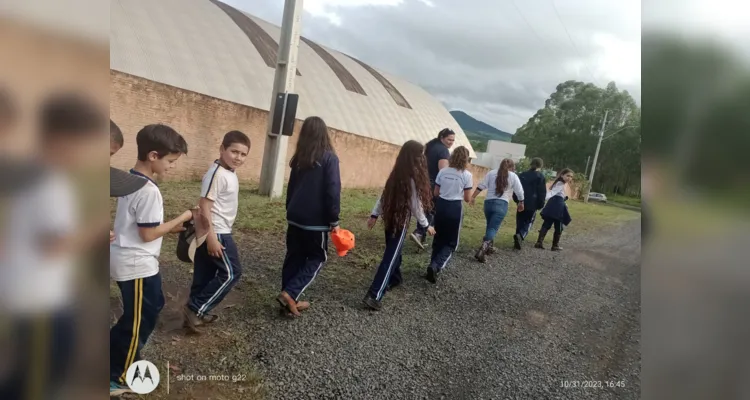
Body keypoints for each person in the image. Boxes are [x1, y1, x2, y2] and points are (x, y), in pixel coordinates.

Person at [0, 93, 109, 400]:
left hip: (41, 295)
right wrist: (100, 225)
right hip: (38, 303)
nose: (87, 154)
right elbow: (55, 245)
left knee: (43, 371)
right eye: (85, 144)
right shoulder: (47, 182)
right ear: (62, 139)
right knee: (37, 380)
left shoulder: (35, 173)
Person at [109, 124, 194, 396]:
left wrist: (168, 227)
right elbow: (147, 234)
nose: (172, 167)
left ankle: (115, 352)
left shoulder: (130, 180)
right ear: (154, 155)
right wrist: (182, 218)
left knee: (151, 306)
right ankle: (118, 377)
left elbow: (141, 226)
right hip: (136, 263)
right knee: (139, 321)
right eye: (170, 161)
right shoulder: (148, 190)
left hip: (133, 259)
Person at [183, 131, 251, 329]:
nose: (238, 157)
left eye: (243, 154)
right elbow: (204, 205)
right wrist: (212, 237)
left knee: (205, 273)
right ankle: (196, 308)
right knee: (231, 273)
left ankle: (193, 311)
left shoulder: (228, 172)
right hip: (217, 232)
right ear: (222, 149)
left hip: (216, 230)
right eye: (234, 151)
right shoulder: (217, 173)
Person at [278, 117, 341, 317]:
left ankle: (287, 301)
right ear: (324, 133)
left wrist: (291, 210)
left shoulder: (299, 159)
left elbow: (291, 189)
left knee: (294, 256)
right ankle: (291, 293)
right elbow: (332, 191)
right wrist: (334, 220)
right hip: (316, 222)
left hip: (295, 217)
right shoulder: (330, 158)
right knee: (317, 257)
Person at [364, 140, 435, 310]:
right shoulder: (412, 178)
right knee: (390, 258)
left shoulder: (397, 173)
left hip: (389, 219)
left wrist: (375, 214)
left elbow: (383, 197)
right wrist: (426, 226)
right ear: (415, 156)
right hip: (399, 222)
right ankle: (374, 295)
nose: (423, 157)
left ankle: (395, 278)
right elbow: (416, 206)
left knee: (394, 252)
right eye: (421, 154)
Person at [426, 146, 473, 283]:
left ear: (451, 157)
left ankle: (432, 263)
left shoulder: (443, 171)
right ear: (466, 159)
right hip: (455, 207)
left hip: (441, 205)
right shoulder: (467, 175)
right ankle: (436, 265)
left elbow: (436, 193)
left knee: (438, 237)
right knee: (452, 243)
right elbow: (467, 198)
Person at [470, 158, 525, 262]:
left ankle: (489, 247)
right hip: (502, 203)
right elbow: (519, 191)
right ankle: (483, 249)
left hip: (488, 203)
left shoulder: (492, 173)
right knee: (493, 228)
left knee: (490, 225)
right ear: (512, 167)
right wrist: (521, 202)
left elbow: (481, 186)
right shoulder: (513, 176)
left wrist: (473, 197)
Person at [411, 128, 455, 248]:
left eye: (453, 140)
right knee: (432, 209)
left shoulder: (430, 147)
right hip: (433, 183)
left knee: (424, 207)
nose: (451, 142)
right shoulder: (443, 151)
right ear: (442, 138)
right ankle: (420, 232)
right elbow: (443, 171)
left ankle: (421, 235)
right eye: (449, 139)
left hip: (422, 180)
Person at [512, 157, 547, 250]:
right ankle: (521, 235)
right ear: (541, 165)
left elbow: (516, 188)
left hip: (521, 200)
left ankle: (517, 238)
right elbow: (542, 192)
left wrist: (516, 199)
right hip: (533, 203)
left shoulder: (522, 175)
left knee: (519, 220)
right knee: (529, 222)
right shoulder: (540, 177)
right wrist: (541, 203)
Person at [535, 168, 574, 251]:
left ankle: (539, 242)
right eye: (568, 175)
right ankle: (554, 245)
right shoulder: (561, 184)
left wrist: (564, 202)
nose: (569, 178)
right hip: (557, 206)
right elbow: (552, 193)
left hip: (554, 204)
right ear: (562, 175)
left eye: (571, 176)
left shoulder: (561, 183)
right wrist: (542, 198)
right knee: (558, 225)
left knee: (547, 223)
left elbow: (558, 195)